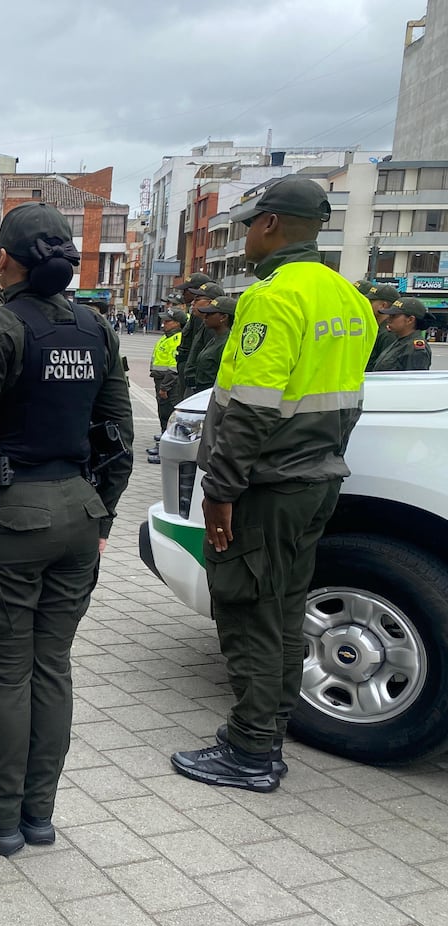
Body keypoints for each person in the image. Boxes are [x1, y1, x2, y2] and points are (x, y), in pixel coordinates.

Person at [0, 203, 133, 856]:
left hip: (8, 525)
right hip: (78, 518)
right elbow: (117, 436)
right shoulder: (98, 330)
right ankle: (38, 813)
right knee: (52, 667)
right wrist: (104, 514)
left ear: (5, 260)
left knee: (5, 675)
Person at [171, 176, 373, 792]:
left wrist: (221, 491)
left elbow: (251, 408)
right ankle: (265, 734)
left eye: (251, 224)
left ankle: (251, 751)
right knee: (284, 611)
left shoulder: (273, 298)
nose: (248, 235)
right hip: (316, 482)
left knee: (249, 610)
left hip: (266, 487)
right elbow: (351, 403)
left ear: (271, 225)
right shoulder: (350, 300)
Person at [186, 295, 235, 396]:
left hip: (211, 394)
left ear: (224, 317)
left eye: (210, 313)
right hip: (202, 392)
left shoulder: (226, 342)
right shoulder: (215, 339)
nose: (205, 316)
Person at [371, 297, 433, 371]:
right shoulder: (399, 341)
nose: (388, 319)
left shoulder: (414, 349)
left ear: (410, 320)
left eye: (393, 316)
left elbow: (412, 380)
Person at [149, 307, 185, 432]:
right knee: (162, 411)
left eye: (168, 321)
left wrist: (165, 387)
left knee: (168, 413)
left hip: (169, 383)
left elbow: (174, 367)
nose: (164, 324)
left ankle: (167, 438)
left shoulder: (177, 339)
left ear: (177, 323)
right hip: (160, 379)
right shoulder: (167, 337)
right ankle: (163, 437)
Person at [355, 281, 400, 371]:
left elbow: (385, 366)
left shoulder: (387, 334)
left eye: (370, 302)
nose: (366, 305)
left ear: (383, 306)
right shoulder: (376, 328)